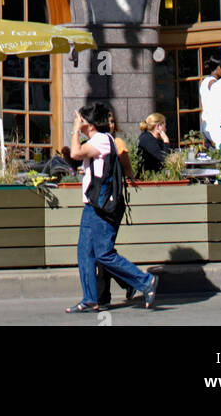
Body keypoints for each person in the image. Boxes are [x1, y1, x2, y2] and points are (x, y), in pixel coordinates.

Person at [66, 102, 158, 313]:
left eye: (81, 119)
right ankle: (90, 299)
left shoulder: (101, 140)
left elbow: (76, 153)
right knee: (85, 253)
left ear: (90, 124)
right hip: (92, 205)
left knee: (103, 253)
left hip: (103, 208)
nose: (78, 122)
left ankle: (145, 281)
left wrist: (74, 130)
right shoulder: (97, 140)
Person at [96, 108, 137, 309]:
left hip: (110, 202)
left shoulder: (117, 143)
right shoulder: (95, 143)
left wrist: (130, 176)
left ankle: (103, 297)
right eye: (107, 121)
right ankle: (128, 282)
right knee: (103, 249)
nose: (111, 125)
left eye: (113, 121)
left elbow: (125, 163)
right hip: (98, 201)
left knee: (102, 250)